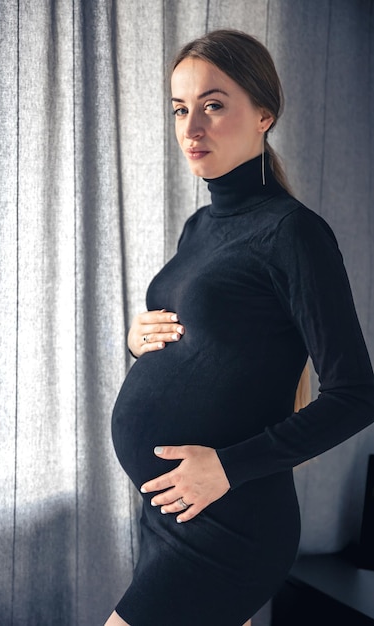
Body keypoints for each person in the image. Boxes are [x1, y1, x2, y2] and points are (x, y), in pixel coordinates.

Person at [105, 29, 374, 626]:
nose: (191, 127)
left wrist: (227, 467)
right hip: (172, 515)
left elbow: (357, 394)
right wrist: (136, 343)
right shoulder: (199, 229)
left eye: (214, 104)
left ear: (264, 115)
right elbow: (216, 352)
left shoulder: (294, 233)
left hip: (231, 524)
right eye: (180, 108)